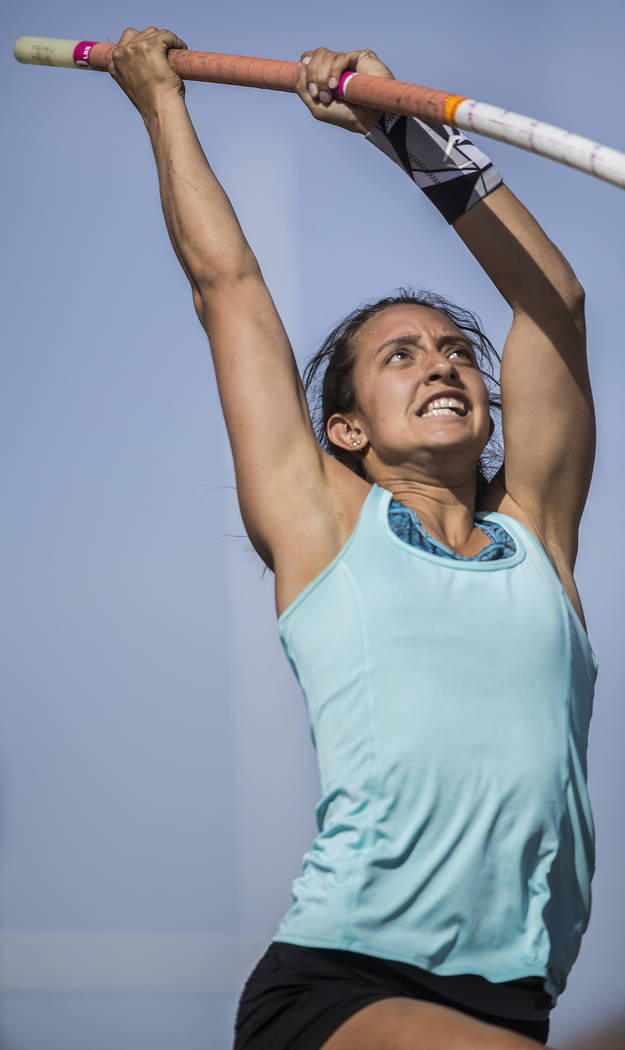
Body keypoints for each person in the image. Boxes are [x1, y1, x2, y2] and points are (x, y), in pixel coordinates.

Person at [108, 28, 597, 1050]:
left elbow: (551, 300)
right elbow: (228, 289)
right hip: (343, 988)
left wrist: (402, 128)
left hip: (518, 1003)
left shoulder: (538, 535)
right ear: (346, 432)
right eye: (401, 355)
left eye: (458, 351)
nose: (443, 365)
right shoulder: (327, 526)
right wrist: (161, 103)